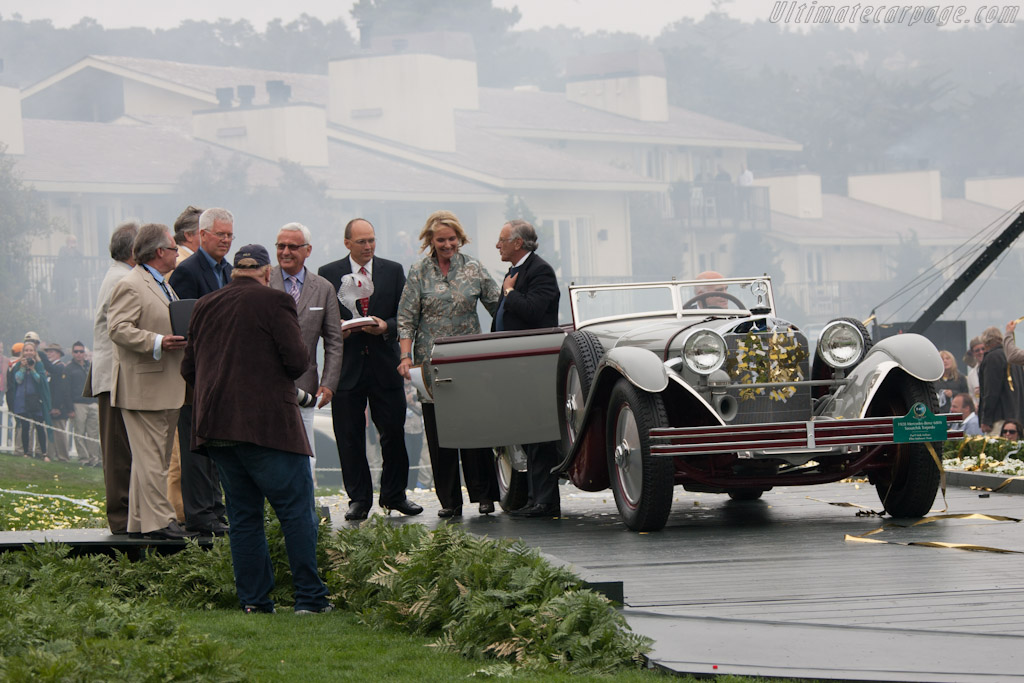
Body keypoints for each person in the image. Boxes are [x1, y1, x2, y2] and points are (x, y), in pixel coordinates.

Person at [182, 244, 332, 615]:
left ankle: (254, 602)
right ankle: (310, 600)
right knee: (297, 513)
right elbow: (297, 361)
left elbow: (188, 369)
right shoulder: (275, 302)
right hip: (268, 427)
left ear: (234, 271)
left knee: (244, 518)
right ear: (267, 273)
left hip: (217, 428)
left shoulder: (204, 305)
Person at [397, 210, 500, 518]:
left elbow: (499, 306)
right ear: (431, 240)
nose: (447, 245)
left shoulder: (474, 268)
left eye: (452, 239)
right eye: (441, 240)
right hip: (430, 365)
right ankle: (449, 501)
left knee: (474, 428)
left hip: (468, 360)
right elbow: (406, 319)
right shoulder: (418, 271)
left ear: (460, 238)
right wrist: (405, 357)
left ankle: (484, 496)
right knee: (439, 432)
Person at [318, 218, 422, 520]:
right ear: (348, 243)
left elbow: (403, 316)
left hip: (384, 365)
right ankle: (359, 499)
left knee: (393, 433)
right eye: (361, 241)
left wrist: (385, 327)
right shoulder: (329, 273)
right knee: (349, 436)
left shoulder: (392, 270)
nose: (368, 247)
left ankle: (395, 495)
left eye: (372, 240)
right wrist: (338, 331)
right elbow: (323, 319)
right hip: (347, 367)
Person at [107, 223, 193, 540]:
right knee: (152, 458)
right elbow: (117, 328)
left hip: (164, 385)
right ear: (160, 252)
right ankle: (160, 522)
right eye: (173, 249)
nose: (176, 255)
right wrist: (157, 342)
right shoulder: (131, 284)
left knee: (152, 457)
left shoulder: (162, 284)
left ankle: (139, 522)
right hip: (143, 388)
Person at [168, 207, 233, 535]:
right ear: (202, 234)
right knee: (195, 448)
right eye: (220, 234)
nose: (225, 240)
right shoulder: (187, 270)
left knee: (218, 446)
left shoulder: (229, 271)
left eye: (230, 235)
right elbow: (184, 324)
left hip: (224, 373)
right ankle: (200, 514)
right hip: (197, 375)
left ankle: (216, 510)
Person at [492, 219, 563, 518]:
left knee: (540, 432)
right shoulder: (514, 272)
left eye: (502, 240)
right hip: (514, 363)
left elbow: (534, 311)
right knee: (526, 433)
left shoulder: (540, 271)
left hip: (533, 363)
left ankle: (545, 501)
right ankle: (535, 498)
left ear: (518, 243)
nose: (498, 245)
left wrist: (509, 293)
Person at [269, 222, 344, 482]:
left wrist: (329, 383)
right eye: (281, 246)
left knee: (305, 453)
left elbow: (334, 340)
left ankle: (305, 512)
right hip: (263, 384)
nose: (285, 251)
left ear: (308, 250)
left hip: (305, 386)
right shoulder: (264, 281)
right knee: (268, 452)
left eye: (292, 246)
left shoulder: (323, 288)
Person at [86, 221, 138, 534]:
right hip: (114, 377)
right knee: (118, 452)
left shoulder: (119, 275)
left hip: (117, 375)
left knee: (122, 449)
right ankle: (121, 519)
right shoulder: (123, 279)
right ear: (134, 251)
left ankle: (127, 517)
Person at [5, 341, 51, 460]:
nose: (28, 352)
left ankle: (44, 453)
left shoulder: (39, 365)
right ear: (23, 352)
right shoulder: (18, 365)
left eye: (31, 350)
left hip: (35, 399)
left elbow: (40, 380)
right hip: (22, 399)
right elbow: (17, 380)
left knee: (39, 426)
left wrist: (32, 368)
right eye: (26, 350)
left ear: (34, 352)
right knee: (25, 426)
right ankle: (26, 452)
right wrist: (23, 368)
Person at [977, 326, 1024, 436]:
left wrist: (986, 419)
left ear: (986, 342)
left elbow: (991, 391)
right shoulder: (1013, 358)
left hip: (999, 420)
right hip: (1017, 420)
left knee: (996, 451)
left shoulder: (992, 358)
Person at [65, 340, 100, 466]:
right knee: (79, 433)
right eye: (76, 352)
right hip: (78, 403)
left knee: (93, 433)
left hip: (92, 402)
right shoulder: (69, 368)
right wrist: (70, 408)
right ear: (72, 353)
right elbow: (66, 390)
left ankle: (94, 459)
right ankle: (84, 458)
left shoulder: (89, 366)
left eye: (81, 351)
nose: (79, 354)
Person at [41, 343, 73, 462]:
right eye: (48, 352)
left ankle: (63, 457)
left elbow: (61, 389)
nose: (49, 354)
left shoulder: (60, 368)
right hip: (51, 406)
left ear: (59, 354)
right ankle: (51, 455)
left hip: (59, 407)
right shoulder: (52, 369)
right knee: (51, 432)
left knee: (59, 433)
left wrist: (57, 406)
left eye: (52, 351)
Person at [964, 336, 984, 402]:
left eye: (983, 349)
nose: (981, 352)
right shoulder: (971, 375)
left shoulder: (996, 368)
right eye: (977, 350)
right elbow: (972, 396)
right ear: (973, 353)